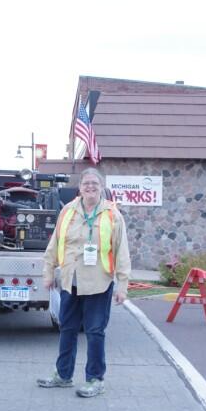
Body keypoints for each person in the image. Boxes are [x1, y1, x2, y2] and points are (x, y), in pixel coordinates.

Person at [37, 167, 131, 397]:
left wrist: (122, 285)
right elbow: (55, 244)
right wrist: (48, 272)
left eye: (95, 184)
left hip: (99, 283)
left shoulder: (112, 215)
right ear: (79, 188)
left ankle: (95, 379)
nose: (90, 187)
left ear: (102, 188)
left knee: (94, 331)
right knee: (67, 328)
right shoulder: (67, 211)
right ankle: (63, 375)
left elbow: (122, 251)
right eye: (86, 183)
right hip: (71, 281)